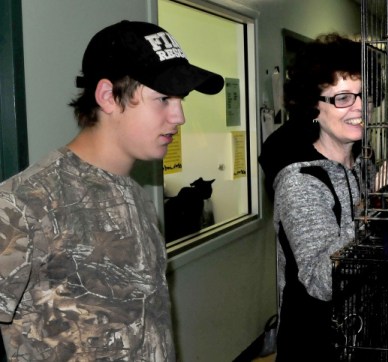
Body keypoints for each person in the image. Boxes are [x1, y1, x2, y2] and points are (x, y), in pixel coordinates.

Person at [0, 20, 223, 361]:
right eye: (163, 98)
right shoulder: (25, 204)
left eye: (181, 99)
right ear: (108, 97)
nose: (179, 116)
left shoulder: (138, 199)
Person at [258, 33, 388, 360]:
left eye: (363, 96)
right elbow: (323, 281)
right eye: (342, 98)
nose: (358, 108)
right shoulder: (300, 181)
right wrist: (374, 206)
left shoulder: (364, 164)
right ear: (314, 106)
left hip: (371, 335)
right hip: (320, 344)